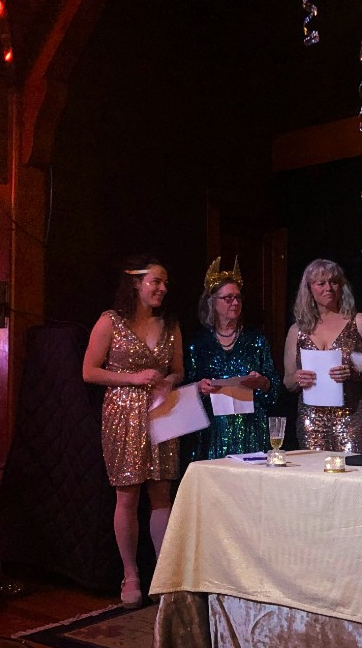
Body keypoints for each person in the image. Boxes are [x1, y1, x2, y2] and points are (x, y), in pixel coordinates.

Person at [82, 255, 183, 608]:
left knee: (161, 495)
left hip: (161, 413)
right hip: (123, 414)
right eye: (156, 281)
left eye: (165, 282)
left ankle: (164, 575)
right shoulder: (110, 321)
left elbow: (178, 371)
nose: (162, 288)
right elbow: (89, 371)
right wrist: (133, 379)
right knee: (127, 495)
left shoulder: (170, 324)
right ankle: (130, 575)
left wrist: (167, 382)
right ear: (136, 284)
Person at [185, 257, 280, 460]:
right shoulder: (199, 343)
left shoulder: (255, 339)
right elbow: (185, 390)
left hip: (252, 431)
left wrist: (262, 383)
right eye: (228, 298)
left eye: (238, 297)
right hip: (214, 435)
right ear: (212, 302)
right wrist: (199, 388)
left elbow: (275, 391)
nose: (235, 302)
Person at [284, 259, 362, 454]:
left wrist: (353, 372)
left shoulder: (359, 322)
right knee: (315, 477)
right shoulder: (297, 330)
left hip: (353, 417)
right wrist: (297, 378)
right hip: (311, 419)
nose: (329, 288)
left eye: (334, 282)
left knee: (353, 475)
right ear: (309, 289)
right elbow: (288, 381)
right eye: (321, 283)